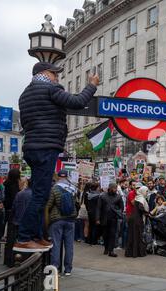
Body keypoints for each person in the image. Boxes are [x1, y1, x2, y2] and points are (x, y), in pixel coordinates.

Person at [15, 62, 99, 252]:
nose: (57, 77)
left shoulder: (25, 94)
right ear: (44, 73)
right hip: (46, 146)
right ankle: (24, 237)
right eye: (55, 73)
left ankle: (37, 235)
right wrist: (92, 85)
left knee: (40, 193)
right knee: (40, 195)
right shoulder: (50, 88)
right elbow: (77, 102)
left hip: (32, 147)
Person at [45, 170, 77, 275]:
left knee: (56, 244)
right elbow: (77, 203)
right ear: (67, 176)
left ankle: (55, 268)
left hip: (57, 220)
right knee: (69, 246)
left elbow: (49, 205)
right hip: (70, 220)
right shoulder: (73, 188)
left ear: (58, 177)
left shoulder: (54, 188)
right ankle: (68, 269)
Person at [96, 183, 124, 257]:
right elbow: (98, 208)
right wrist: (97, 218)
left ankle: (111, 250)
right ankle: (106, 248)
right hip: (104, 218)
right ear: (110, 188)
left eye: (116, 188)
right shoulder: (103, 196)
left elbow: (121, 207)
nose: (115, 190)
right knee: (105, 234)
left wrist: (117, 211)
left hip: (113, 218)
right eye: (114, 188)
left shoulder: (118, 197)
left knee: (112, 234)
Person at [125, 186, 150, 258]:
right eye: (146, 191)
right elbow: (140, 207)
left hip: (133, 218)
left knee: (132, 235)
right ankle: (137, 253)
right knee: (137, 235)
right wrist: (146, 213)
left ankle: (131, 253)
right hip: (137, 219)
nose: (147, 192)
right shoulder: (141, 198)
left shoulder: (137, 197)